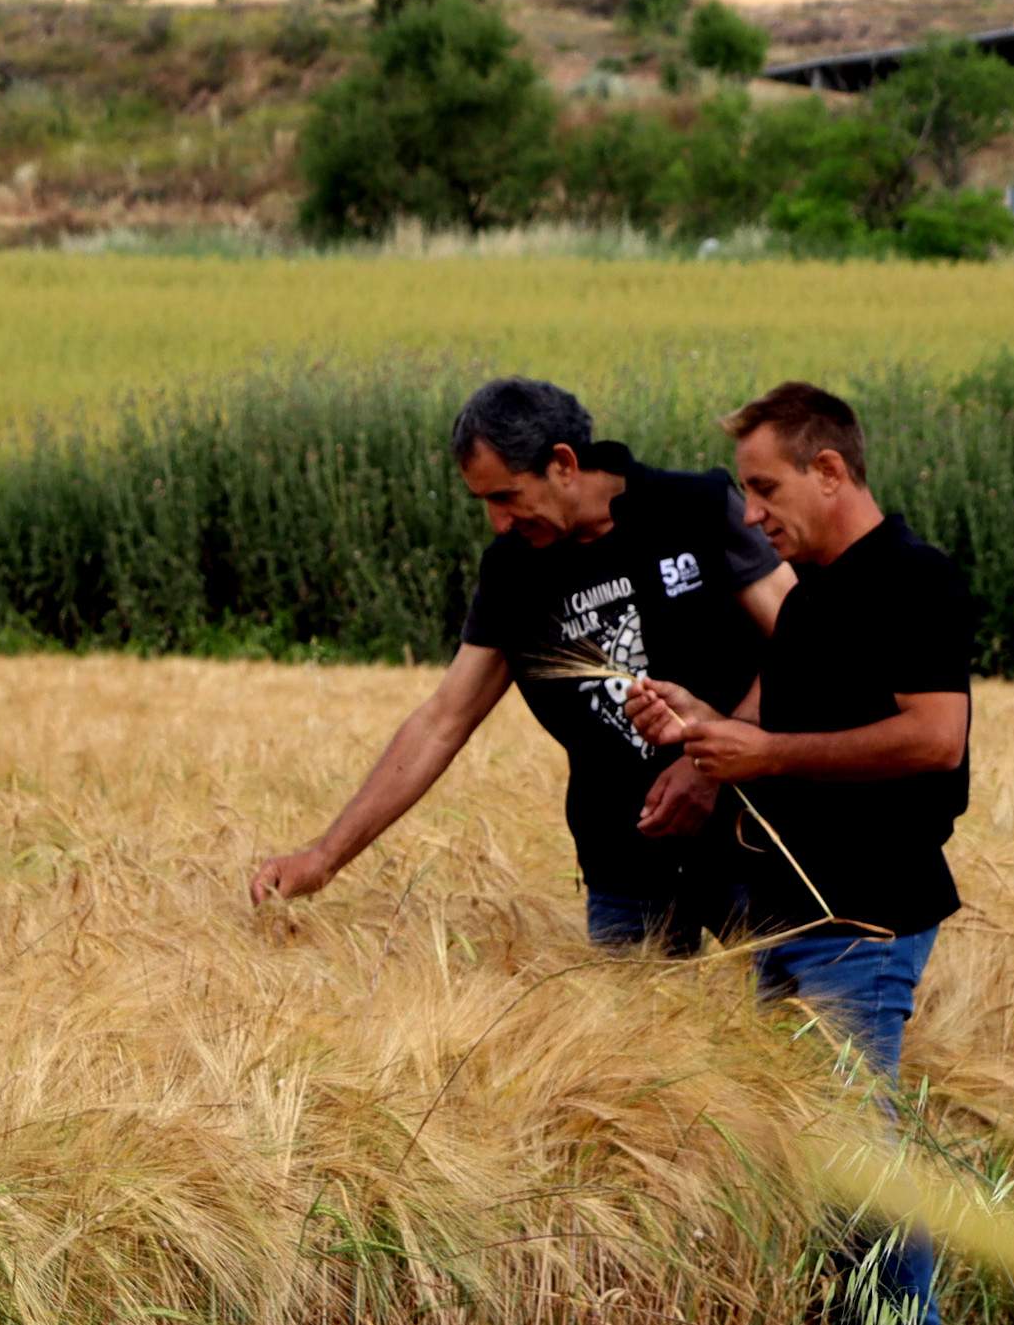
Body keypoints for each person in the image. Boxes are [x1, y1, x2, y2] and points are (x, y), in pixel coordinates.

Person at [623, 380, 974, 1325]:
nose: (750, 513)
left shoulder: (914, 579)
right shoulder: (814, 593)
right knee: (819, 1161)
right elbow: (782, 733)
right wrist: (698, 723)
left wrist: (764, 752)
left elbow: (934, 737)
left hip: (863, 918)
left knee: (861, 1159)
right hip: (789, 915)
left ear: (830, 470)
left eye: (764, 486)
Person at [248, 376, 787, 946]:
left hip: (752, 839)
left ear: (562, 462)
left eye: (506, 497)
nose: (498, 523)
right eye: (484, 503)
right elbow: (441, 722)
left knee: (792, 1023)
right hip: (626, 868)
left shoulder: (694, 509)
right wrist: (325, 858)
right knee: (630, 1029)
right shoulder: (513, 573)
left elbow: (806, 643)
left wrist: (717, 757)